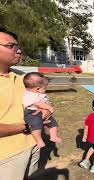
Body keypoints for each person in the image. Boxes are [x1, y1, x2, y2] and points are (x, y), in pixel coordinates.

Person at [0, 27, 50, 179]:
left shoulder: (23, 78)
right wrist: (28, 126)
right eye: (11, 46)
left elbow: (40, 100)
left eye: (18, 46)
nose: (19, 50)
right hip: (8, 156)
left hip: (34, 146)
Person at [23, 72, 62, 148]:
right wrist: (48, 107)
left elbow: (45, 101)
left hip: (42, 112)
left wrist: (49, 104)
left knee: (54, 124)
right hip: (32, 113)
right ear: (37, 88)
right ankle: (38, 140)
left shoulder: (38, 93)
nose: (45, 90)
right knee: (35, 125)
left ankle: (53, 136)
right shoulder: (29, 94)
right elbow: (38, 103)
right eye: (45, 88)